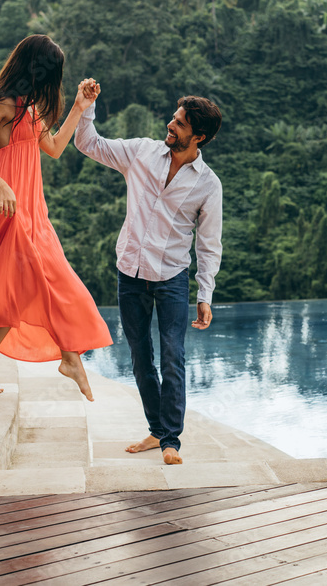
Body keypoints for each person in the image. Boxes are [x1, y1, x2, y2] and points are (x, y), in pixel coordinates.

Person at [73, 79, 222, 465]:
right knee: (141, 359)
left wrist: (204, 295)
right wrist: (87, 107)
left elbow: (208, 245)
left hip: (172, 279)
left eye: (180, 124)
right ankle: (157, 431)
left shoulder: (208, 185)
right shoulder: (141, 152)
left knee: (173, 356)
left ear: (199, 137)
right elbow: (89, 144)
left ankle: (171, 439)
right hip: (130, 274)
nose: (170, 126)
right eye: (173, 119)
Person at [0, 35, 112, 401]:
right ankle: (67, 357)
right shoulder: (1, 106)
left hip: (32, 209)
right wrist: (2, 186)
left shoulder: (31, 111)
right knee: (24, 282)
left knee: (47, 278)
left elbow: (55, 149)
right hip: (6, 206)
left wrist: (80, 105)